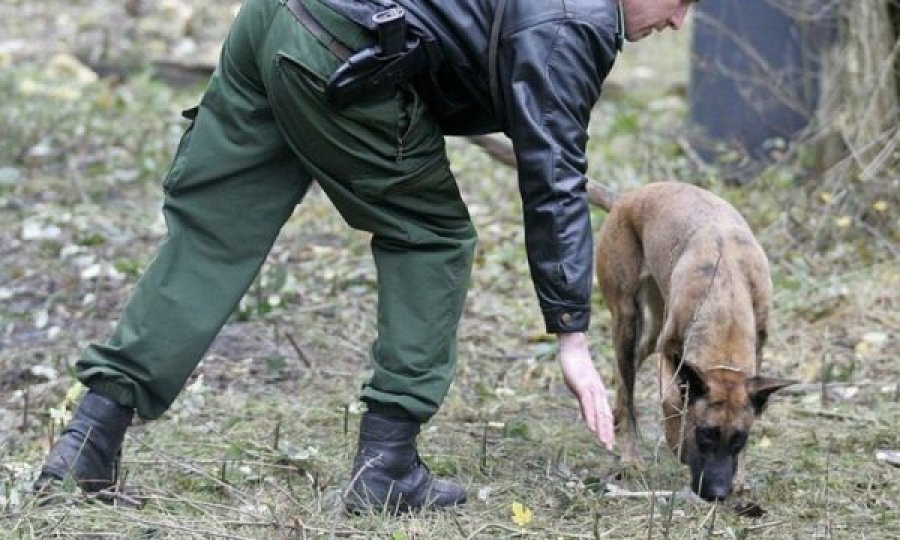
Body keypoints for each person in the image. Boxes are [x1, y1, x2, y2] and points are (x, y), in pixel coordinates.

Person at [34, 0, 694, 512]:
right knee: (431, 236)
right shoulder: (575, 21)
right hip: (343, 44)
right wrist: (572, 336)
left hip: (277, 19)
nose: (678, 21)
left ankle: (87, 444)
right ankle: (387, 466)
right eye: (682, 1)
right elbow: (551, 171)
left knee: (211, 236)